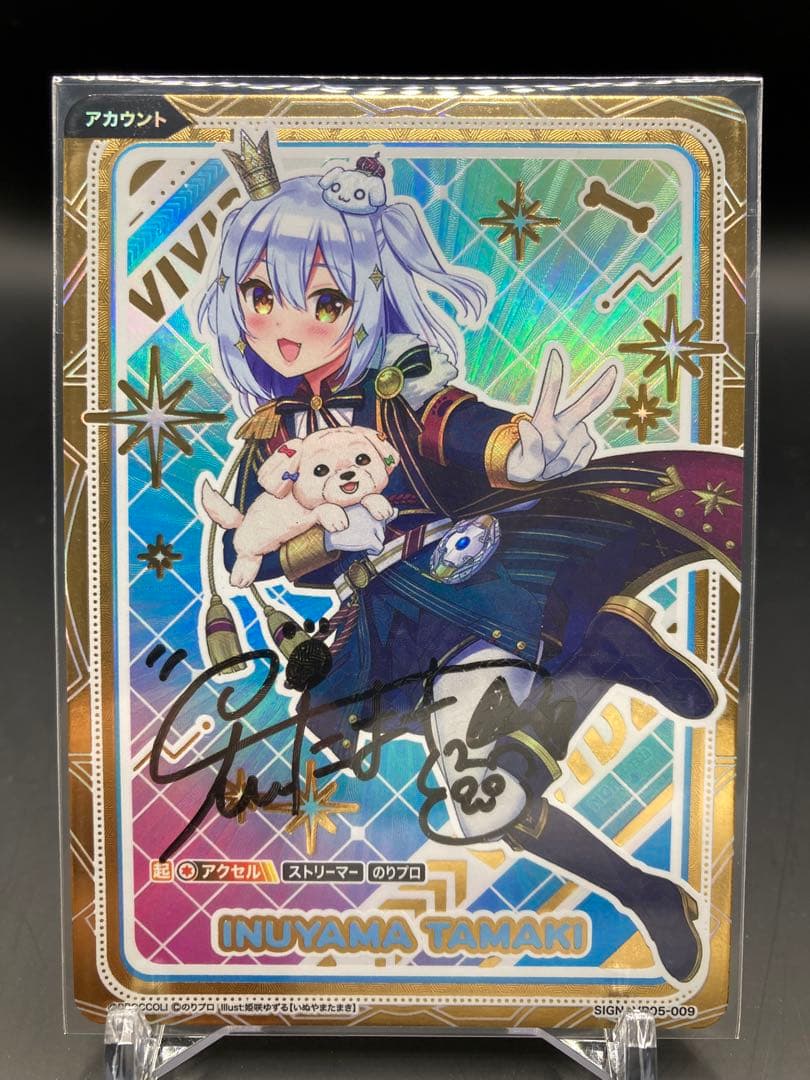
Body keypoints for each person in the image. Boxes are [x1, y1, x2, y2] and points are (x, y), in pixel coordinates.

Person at [195, 132, 743, 986]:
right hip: (382, 623)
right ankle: (643, 879)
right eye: (259, 294)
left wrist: (528, 452)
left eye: (324, 300)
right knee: (488, 803)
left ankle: (598, 652)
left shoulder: (402, 396)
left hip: (461, 579)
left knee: (487, 773)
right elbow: (258, 558)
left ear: (370, 298)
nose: (285, 326)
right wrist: (292, 539)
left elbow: (470, 434)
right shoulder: (267, 436)